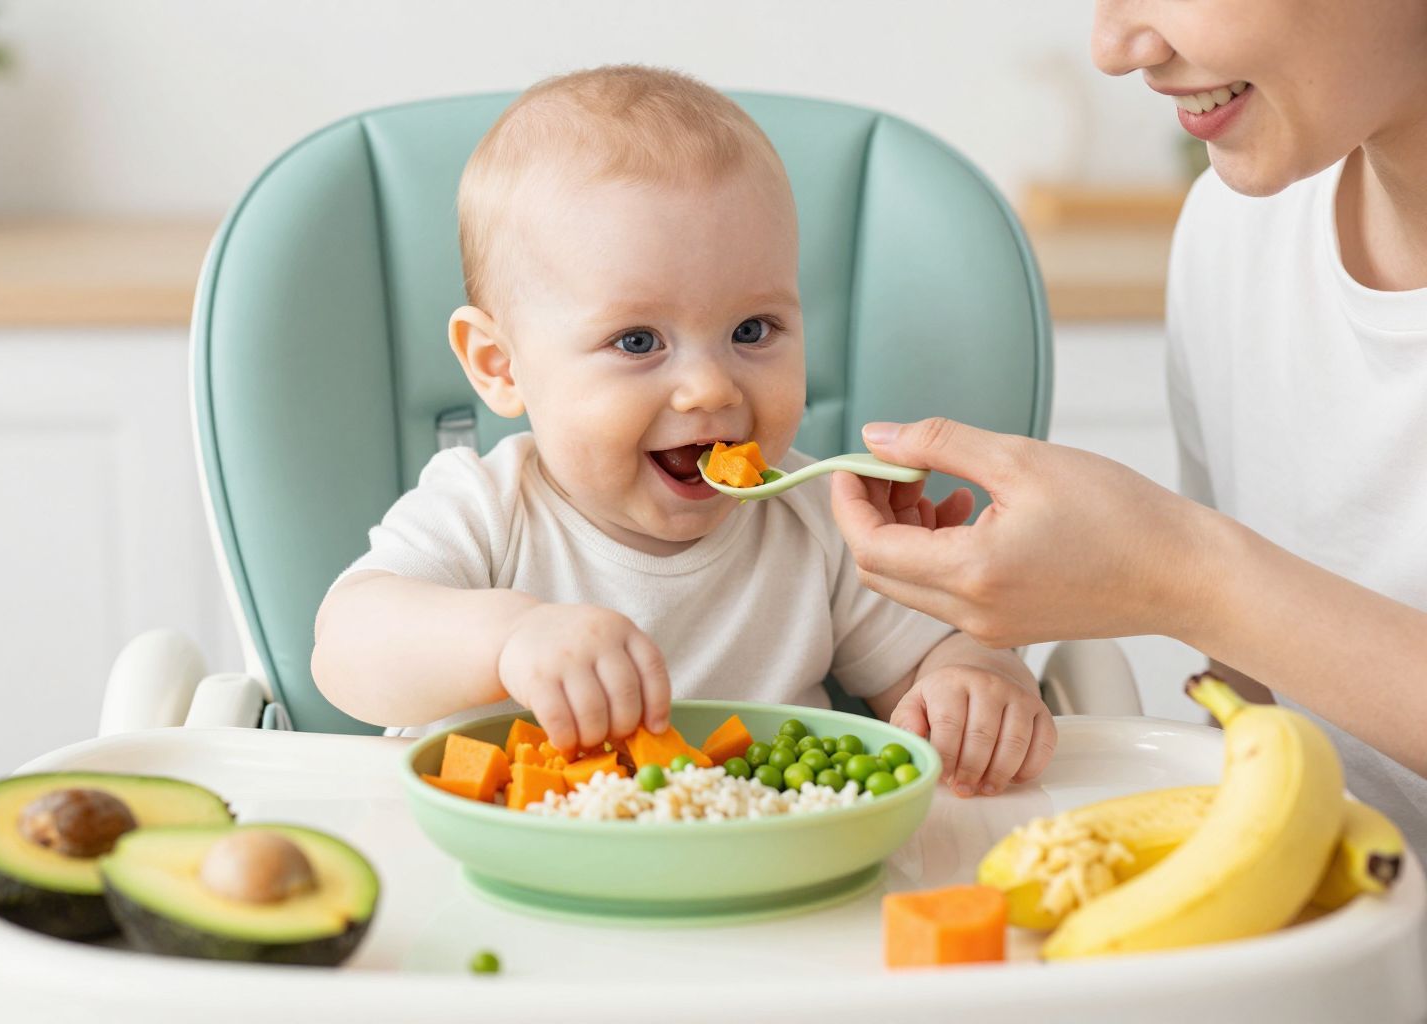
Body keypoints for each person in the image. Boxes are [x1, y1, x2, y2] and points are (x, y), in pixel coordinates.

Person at [310, 65, 1056, 797]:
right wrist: (509, 640)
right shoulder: (488, 509)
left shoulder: (816, 524)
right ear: (500, 366)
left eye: (753, 329)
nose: (710, 387)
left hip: (759, 891)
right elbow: (344, 650)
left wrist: (975, 685)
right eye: (638, 342)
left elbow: (928, 661)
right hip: (501, 874)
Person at [831, 0, 1427, 854]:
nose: (1117, 49)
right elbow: (1250, 703)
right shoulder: (1237, 233)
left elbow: (1217, 591)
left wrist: (1179, 574)